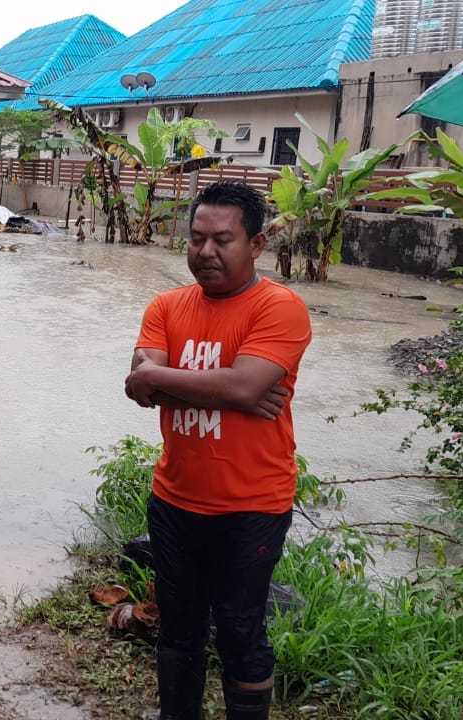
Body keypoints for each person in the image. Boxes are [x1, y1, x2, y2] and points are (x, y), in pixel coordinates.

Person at [124, 181, 312, 720]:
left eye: (223, 240)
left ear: (256, 244)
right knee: (178, 629)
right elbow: (142, 389)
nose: (206, 253)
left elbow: (241, 387)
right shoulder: (166, 305)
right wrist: (232, 388)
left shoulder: (280, 307)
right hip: (175, 498)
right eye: (197, 239)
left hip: (251, 505)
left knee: (239, 630)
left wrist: (170, 377)